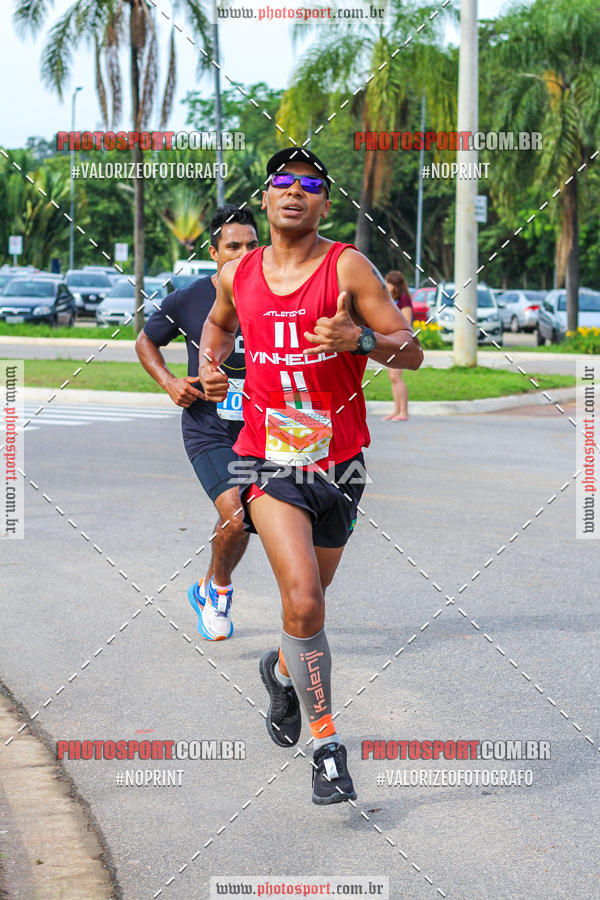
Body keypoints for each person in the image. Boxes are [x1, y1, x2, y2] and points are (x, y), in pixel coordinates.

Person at [198, 148, 423, 805]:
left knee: (309, 607)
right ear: (266, 198)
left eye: (311, 184)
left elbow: (412, 349)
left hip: (341, 464)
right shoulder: (237, 275)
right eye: (283, 182)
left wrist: (359, 342)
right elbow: (216, 327)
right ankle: (326, 747)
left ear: (325, 202)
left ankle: (280, 667)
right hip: (268, 460)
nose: (295, 191)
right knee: (303, 599)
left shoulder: (346, 267)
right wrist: (212, 369)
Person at [135, 205, 259, 641]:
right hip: (207, 427)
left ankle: (206, 585)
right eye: (233, 246)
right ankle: (219, 593)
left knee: (251, 520)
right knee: (237, 513)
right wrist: (170, 382)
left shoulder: (275, 294)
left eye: (250, 245)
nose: (243, 254)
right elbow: (146, 341)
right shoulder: (188, 299)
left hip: (262, 430)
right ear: (214, 252)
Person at [383, 271, 414, 421]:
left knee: (397, 376)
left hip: (400, 342)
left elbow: (406, 322)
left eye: (389, 282)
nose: (386, 285)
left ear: (396, 285)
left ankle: (404, 412)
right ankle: (396, 411)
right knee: (392, 377)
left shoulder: (404, 300)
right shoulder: (390, 300)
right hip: (390, 341)